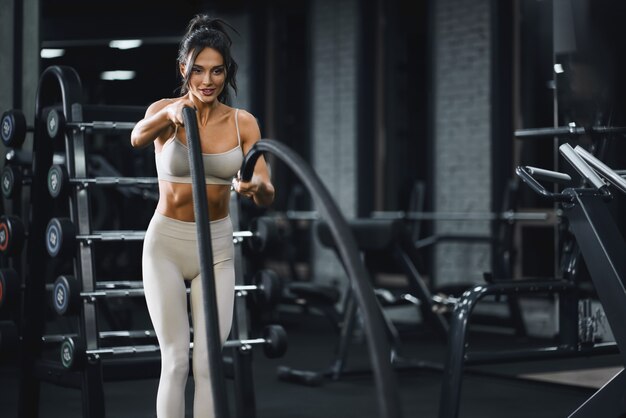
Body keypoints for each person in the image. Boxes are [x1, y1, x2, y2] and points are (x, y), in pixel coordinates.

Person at [130, 14, 274, 418]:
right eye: (198, 70)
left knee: (209, 363)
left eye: (216, 70)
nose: (207, 80)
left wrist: (255, 187)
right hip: (167, 246)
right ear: (184, 69)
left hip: (217, 246)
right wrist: (169, 116)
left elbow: (266, 190)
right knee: (176, 359)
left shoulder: (242, 122)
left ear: (227, 72)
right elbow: (137, 136)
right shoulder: (165, 111)